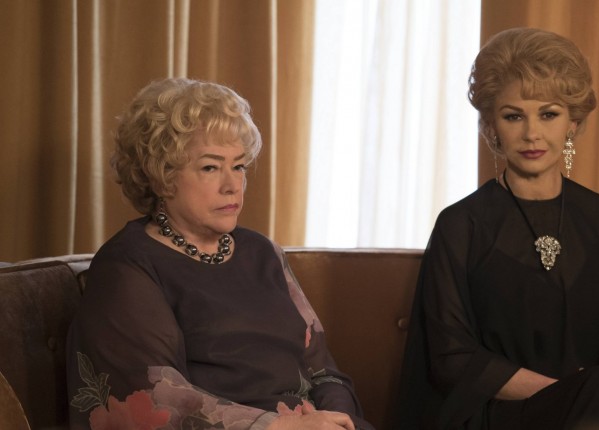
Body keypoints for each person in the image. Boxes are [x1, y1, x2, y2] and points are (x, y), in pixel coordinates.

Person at [66, 78, 373, 430]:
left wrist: (339, 421)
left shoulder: (264, 251)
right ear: (162, 176)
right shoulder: (127, 266)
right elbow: (152, 399)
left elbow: (324, 371)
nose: (232, 185)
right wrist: (277, 427)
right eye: (210, 167)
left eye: (238, 166)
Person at [395, 28, 599, 430]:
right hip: (497, 417)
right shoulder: (461, 225)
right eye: (514, 116)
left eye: (548, 114)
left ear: (573, 122)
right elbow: (452, 359)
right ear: (491, 125)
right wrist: (572, 393)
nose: (531, 133)